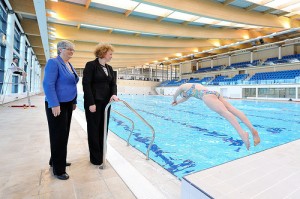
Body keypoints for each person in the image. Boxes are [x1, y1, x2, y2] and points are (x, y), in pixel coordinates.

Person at [172, 83, 260, 150]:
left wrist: (174, 99)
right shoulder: (191, 88)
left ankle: (242, 134)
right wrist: (177, 102)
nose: (184, 96)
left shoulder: (182, 86)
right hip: (213, 93)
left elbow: (175, 94)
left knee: (225, 113)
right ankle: (253, 130)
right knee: (232, 109)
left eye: (183, 95)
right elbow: (184, 98)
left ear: (183, 92)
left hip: (205, 96)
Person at [43, 40, 79, 180]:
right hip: (57, 105)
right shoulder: (54, 62)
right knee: (58, 135)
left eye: (73, 50)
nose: (71, 52)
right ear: (59, 49)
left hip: (67, 104)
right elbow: (48, 84)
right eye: (68, 49)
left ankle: (55, 160)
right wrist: (54, 103)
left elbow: (72, 85)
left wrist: (74, 101)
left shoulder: (69, 64)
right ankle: (58, 170)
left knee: (63, 134)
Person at [82, 43, 119, 166]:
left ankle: (102, 154)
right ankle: (95, 158)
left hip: (106, 104)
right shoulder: (91, 65)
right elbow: (86, 85)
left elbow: (113, 84)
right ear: (103, 53)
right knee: (93, 129)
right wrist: (91, 103)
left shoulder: (109, 68)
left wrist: (114, 94)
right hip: (94, 103)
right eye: (110, 54)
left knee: (104, 128)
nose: (111, 56)